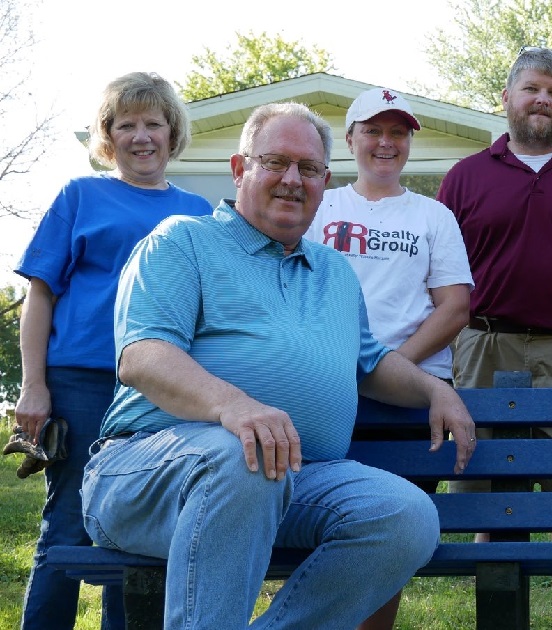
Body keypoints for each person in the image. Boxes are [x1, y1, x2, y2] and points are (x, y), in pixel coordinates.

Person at [78, 102, 477, 629]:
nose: (293, 179)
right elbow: (142, 356)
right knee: (243, 456)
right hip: (153, 474)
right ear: (240, 169)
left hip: (293, 478)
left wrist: (434, 391)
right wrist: (234, 406)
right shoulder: (183, 241)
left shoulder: (334, 271)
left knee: (405, 516)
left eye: (308, 169)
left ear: (325, 181)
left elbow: (370, 361)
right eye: (276, 163)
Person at [13, 72, 211, 630]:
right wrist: (35, 385)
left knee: (140, 524)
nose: (141, 136)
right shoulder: (82, 195)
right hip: (82, 381)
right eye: (127, 125)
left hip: (162, 390)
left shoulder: (199, 213)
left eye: (154, 123)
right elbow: (41, 293)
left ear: (173, 133)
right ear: (108, 135)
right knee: (69, 526)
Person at [436, 46, 552, 630]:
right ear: (508, 97)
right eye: (532, 88)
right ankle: (499, 620)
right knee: (490, 490)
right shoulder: (466, 176)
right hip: (485, 345)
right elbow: (442, 276)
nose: (543, 99)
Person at [304, 86, 474, 630]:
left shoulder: (434, 215)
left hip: (410, 398)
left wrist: (387, 368)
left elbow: (454, 307)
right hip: (324, 391)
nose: (385, 142)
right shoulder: (319, 204)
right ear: (349, 139)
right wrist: (349, 367)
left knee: (387, 536)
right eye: (373, 131)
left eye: (397, 132)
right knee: (319, 526)